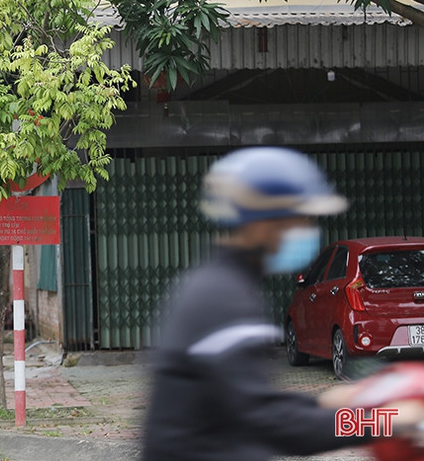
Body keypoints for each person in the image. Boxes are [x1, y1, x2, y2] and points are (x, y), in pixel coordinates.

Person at [141, 146, 424, 460]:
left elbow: (254, 403)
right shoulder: (223, 299)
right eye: (300, 219)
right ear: (263, 222)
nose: (307, 231)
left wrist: (327, 403)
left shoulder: (223, 285)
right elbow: (272, 423)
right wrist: (382, 421)